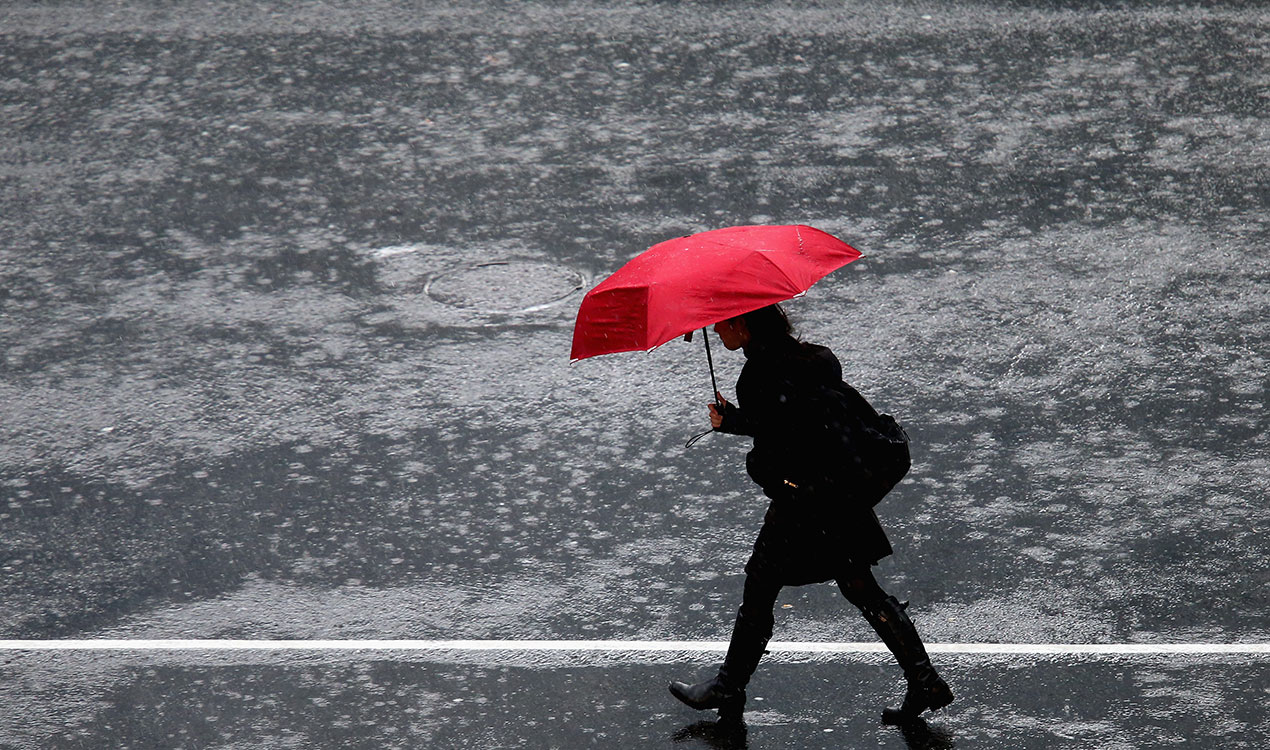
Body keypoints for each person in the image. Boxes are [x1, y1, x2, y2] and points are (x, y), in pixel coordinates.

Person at [669, 304, 954, 725]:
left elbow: (778, 445)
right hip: (841, 491)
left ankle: (729, 685)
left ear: (742, 323)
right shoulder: (810, 358)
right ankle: (925, 680)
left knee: (761, 585)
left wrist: (754, 459)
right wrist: (738, 421)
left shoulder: (758, 375)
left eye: (722, 321)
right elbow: (797, 419)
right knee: (860, 586)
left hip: (805, 502)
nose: (716, 329)